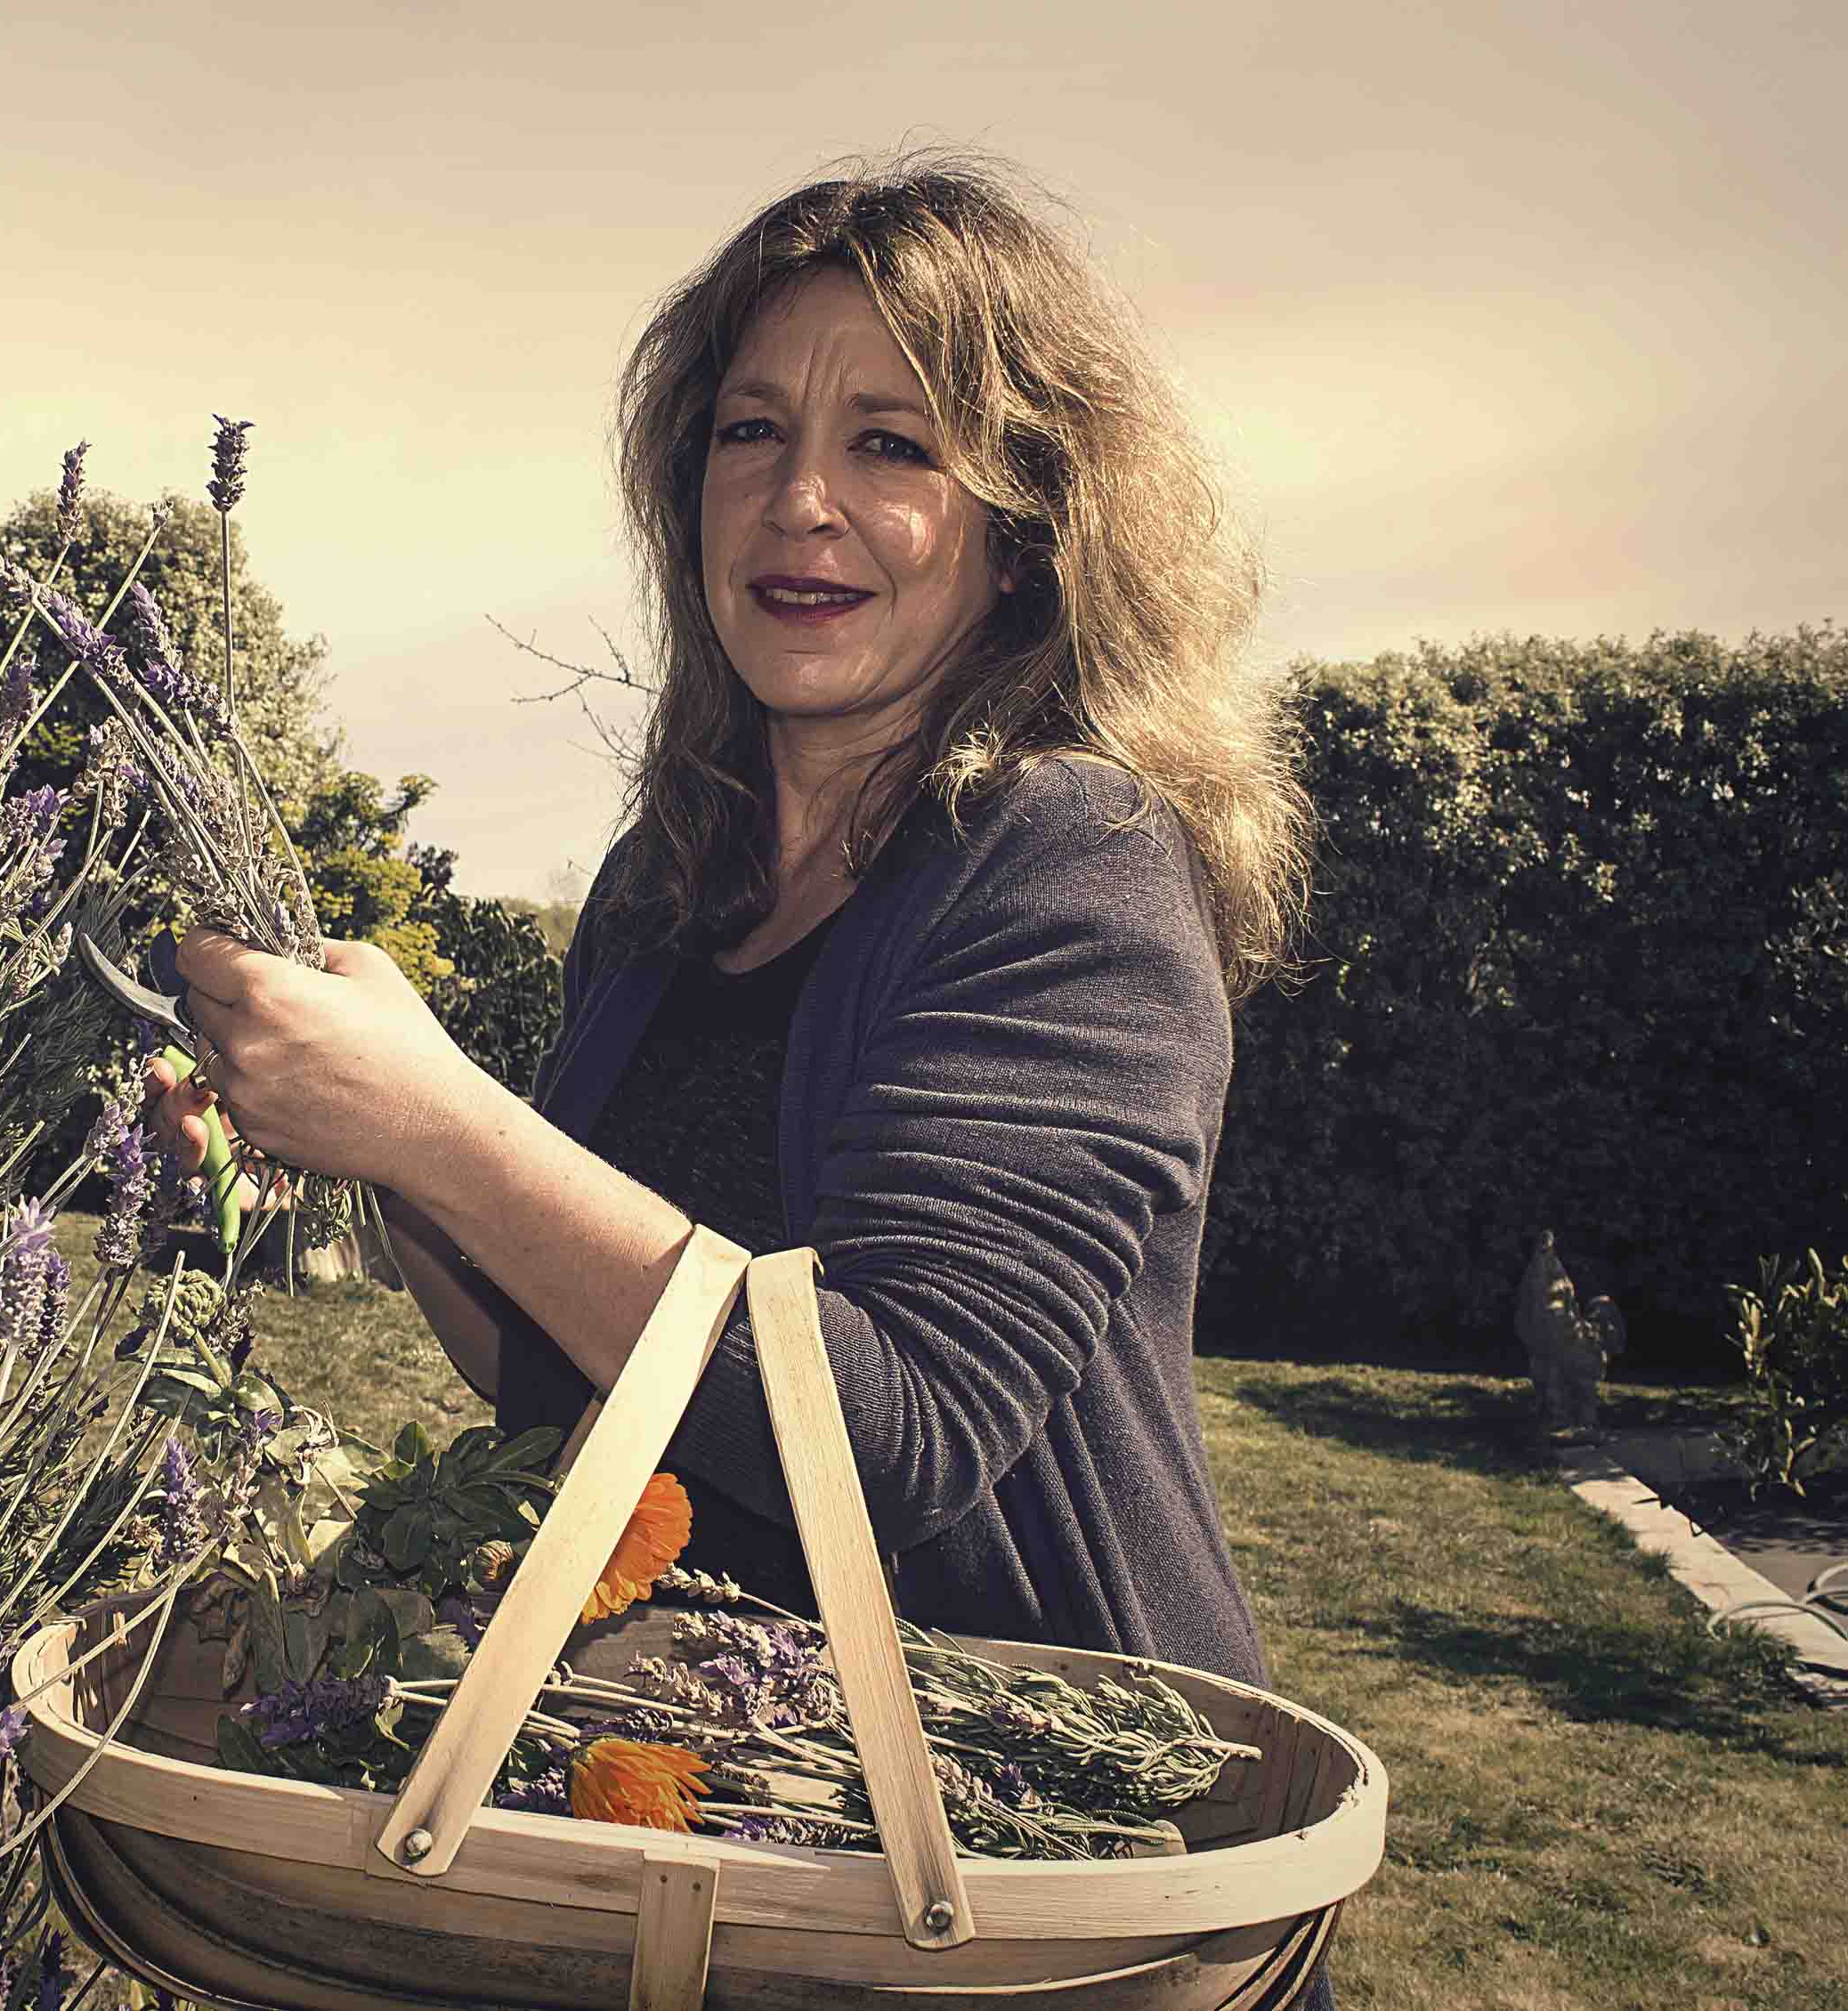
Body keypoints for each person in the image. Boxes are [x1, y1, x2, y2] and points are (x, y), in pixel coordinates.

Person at [139, 150, 1331, 2005]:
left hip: (1021, 1880)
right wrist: (360, 1135)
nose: (797, 500)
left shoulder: (1066, 862)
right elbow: (575, 1369)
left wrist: (443, 1116)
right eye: (749, 430)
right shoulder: (667, 878)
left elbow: (905, 1425)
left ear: (1021, 518)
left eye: (892, 443)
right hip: (719, 1831)